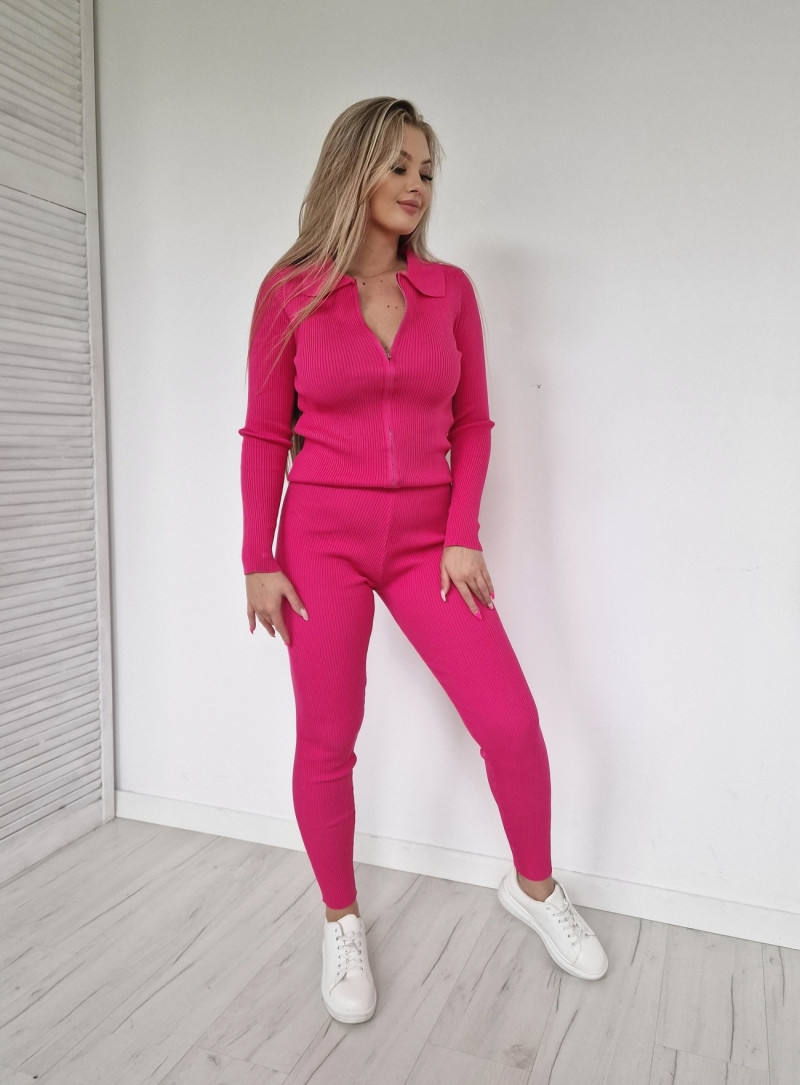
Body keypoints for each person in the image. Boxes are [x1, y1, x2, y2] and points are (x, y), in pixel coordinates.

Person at [240, 97, 608, 1024]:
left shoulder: (450, 293)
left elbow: (472, 420)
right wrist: (257, 555)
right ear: (353, 169)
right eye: (399, 165)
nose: (417, 185)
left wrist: (461, 531)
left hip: (427, 546)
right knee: (329, 741)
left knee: (510, 720)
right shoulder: (290, 291)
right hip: (319, 542)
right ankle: (340, 919)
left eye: (428, 171)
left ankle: (533, 888)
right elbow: (266, 432)